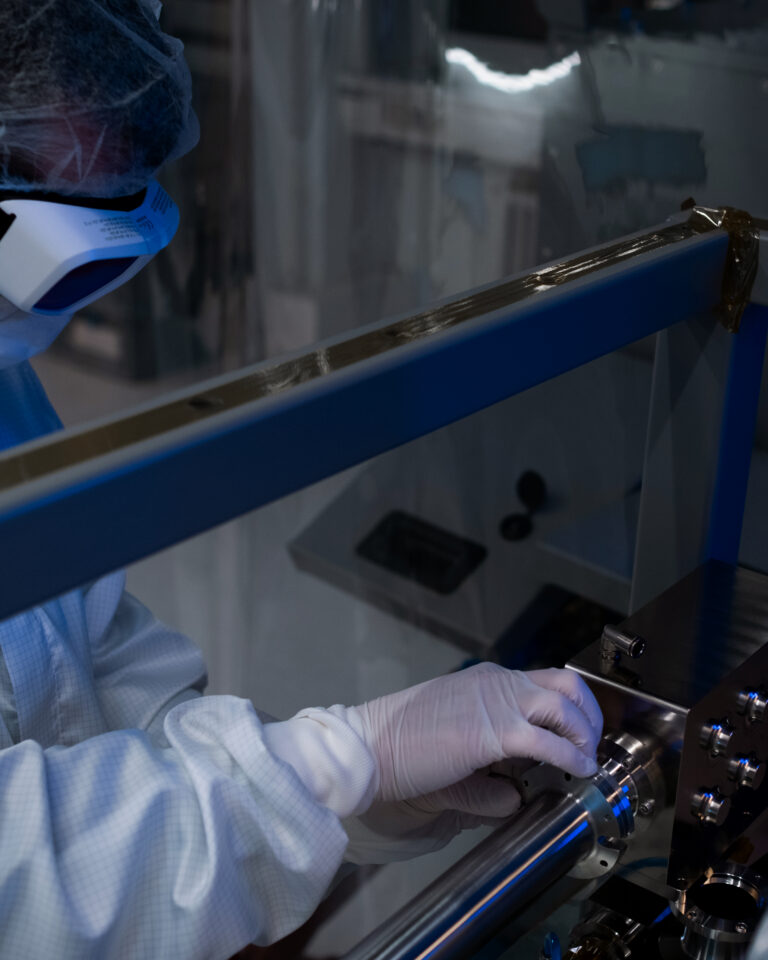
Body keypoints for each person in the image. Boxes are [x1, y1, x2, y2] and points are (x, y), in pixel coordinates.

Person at [0, 2, 604, 957]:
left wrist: (359, 794)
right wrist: (341, 761)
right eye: (64, 263)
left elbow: (104, 690)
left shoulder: (7, 390)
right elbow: (22, 870)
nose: (53, 321)